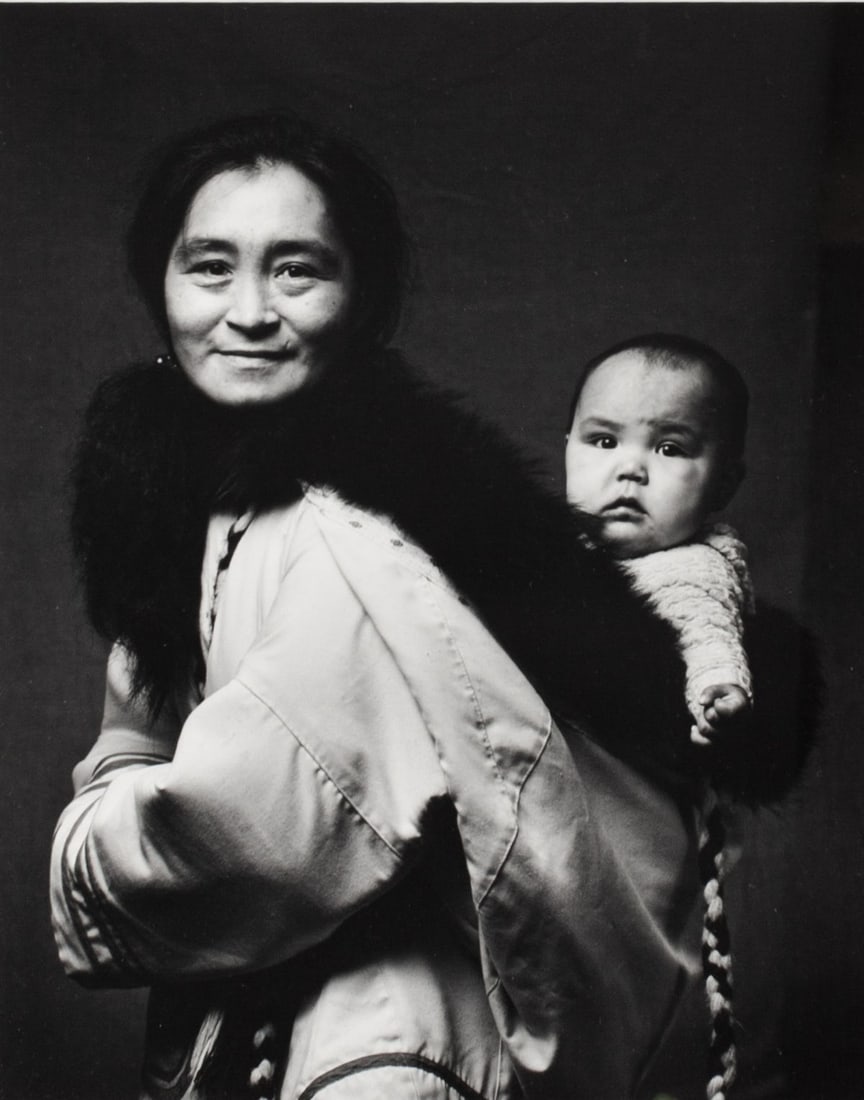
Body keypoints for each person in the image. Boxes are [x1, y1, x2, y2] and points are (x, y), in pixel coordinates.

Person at [50, 114, 800, 1100]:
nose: (247, 311)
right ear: (161, 284)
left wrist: (96, 814)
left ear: (362, 297)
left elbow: (253, 843)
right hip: (285, 1032)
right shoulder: (200, 504)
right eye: (208, 265)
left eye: (296, 269)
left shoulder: (352, 533)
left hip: (391, 1044)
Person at [565, 334, 757, 1099]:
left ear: (724, 483)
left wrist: (719, 688)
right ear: (570, 446)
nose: (630, 468)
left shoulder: (688, 566)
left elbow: (704, 625)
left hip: (629, 830)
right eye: (603, 439)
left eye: (672, 448)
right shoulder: (569, 555)